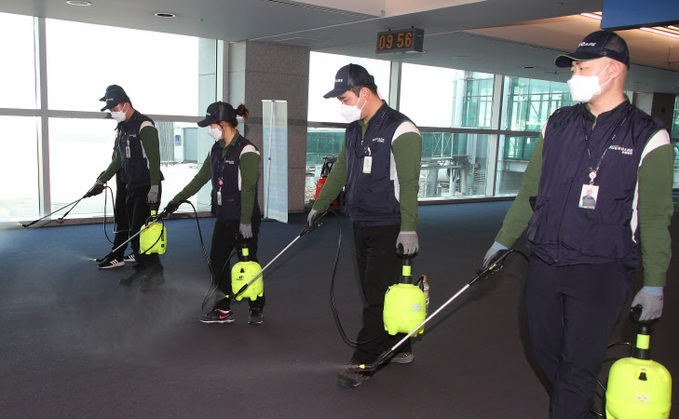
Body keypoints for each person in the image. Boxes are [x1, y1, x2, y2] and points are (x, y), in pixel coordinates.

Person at [481, 31, 674, 418]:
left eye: (583, 67)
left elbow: (654, 218)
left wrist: (654, 284)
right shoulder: (558, 124)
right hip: (547, 261)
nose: (575, 74)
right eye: (574, 67)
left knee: (577, 364)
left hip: (602, 268)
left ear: (614, 69)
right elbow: (529, 192)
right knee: (544, 349)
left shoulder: (650, 136)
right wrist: (502, 241)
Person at [308, 64, 423, 388]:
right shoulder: (354, 130)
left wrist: (408, 228)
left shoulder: (402, 130)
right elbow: (341, 172)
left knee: (375, 297)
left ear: (365, 93)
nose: (342, 106)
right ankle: (402, 344)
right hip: (360, 221)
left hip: (390, 224)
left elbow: (410, 184)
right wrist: (319, 207)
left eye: (345, 98)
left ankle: (363, 362)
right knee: (379, 291)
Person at [163, 102, 264, 325]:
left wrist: (246, 222)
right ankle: (223, 308)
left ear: (223, 124)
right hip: (224, 216)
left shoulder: (247, 150)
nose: (209, 129)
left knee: (248, 261)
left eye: (211, 125)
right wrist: (176, 200)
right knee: (217, 260)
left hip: (244, 217)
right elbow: (200, 179)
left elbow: (248, 188)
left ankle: (256, 306)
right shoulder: (216, 149)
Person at [87, 85, 165, 290]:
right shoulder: (123, 128)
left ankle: (154, 276)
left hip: (147, 187)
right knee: (135, 232)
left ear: (126, 105)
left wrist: (154, 188)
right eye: (111, 110)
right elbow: (119, 160)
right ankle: (144, 270)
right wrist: (102, 180)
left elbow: (154, 159)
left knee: (142, 233)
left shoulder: (144, 125)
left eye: (115, 109)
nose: (113, 113)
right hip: (131, 185)